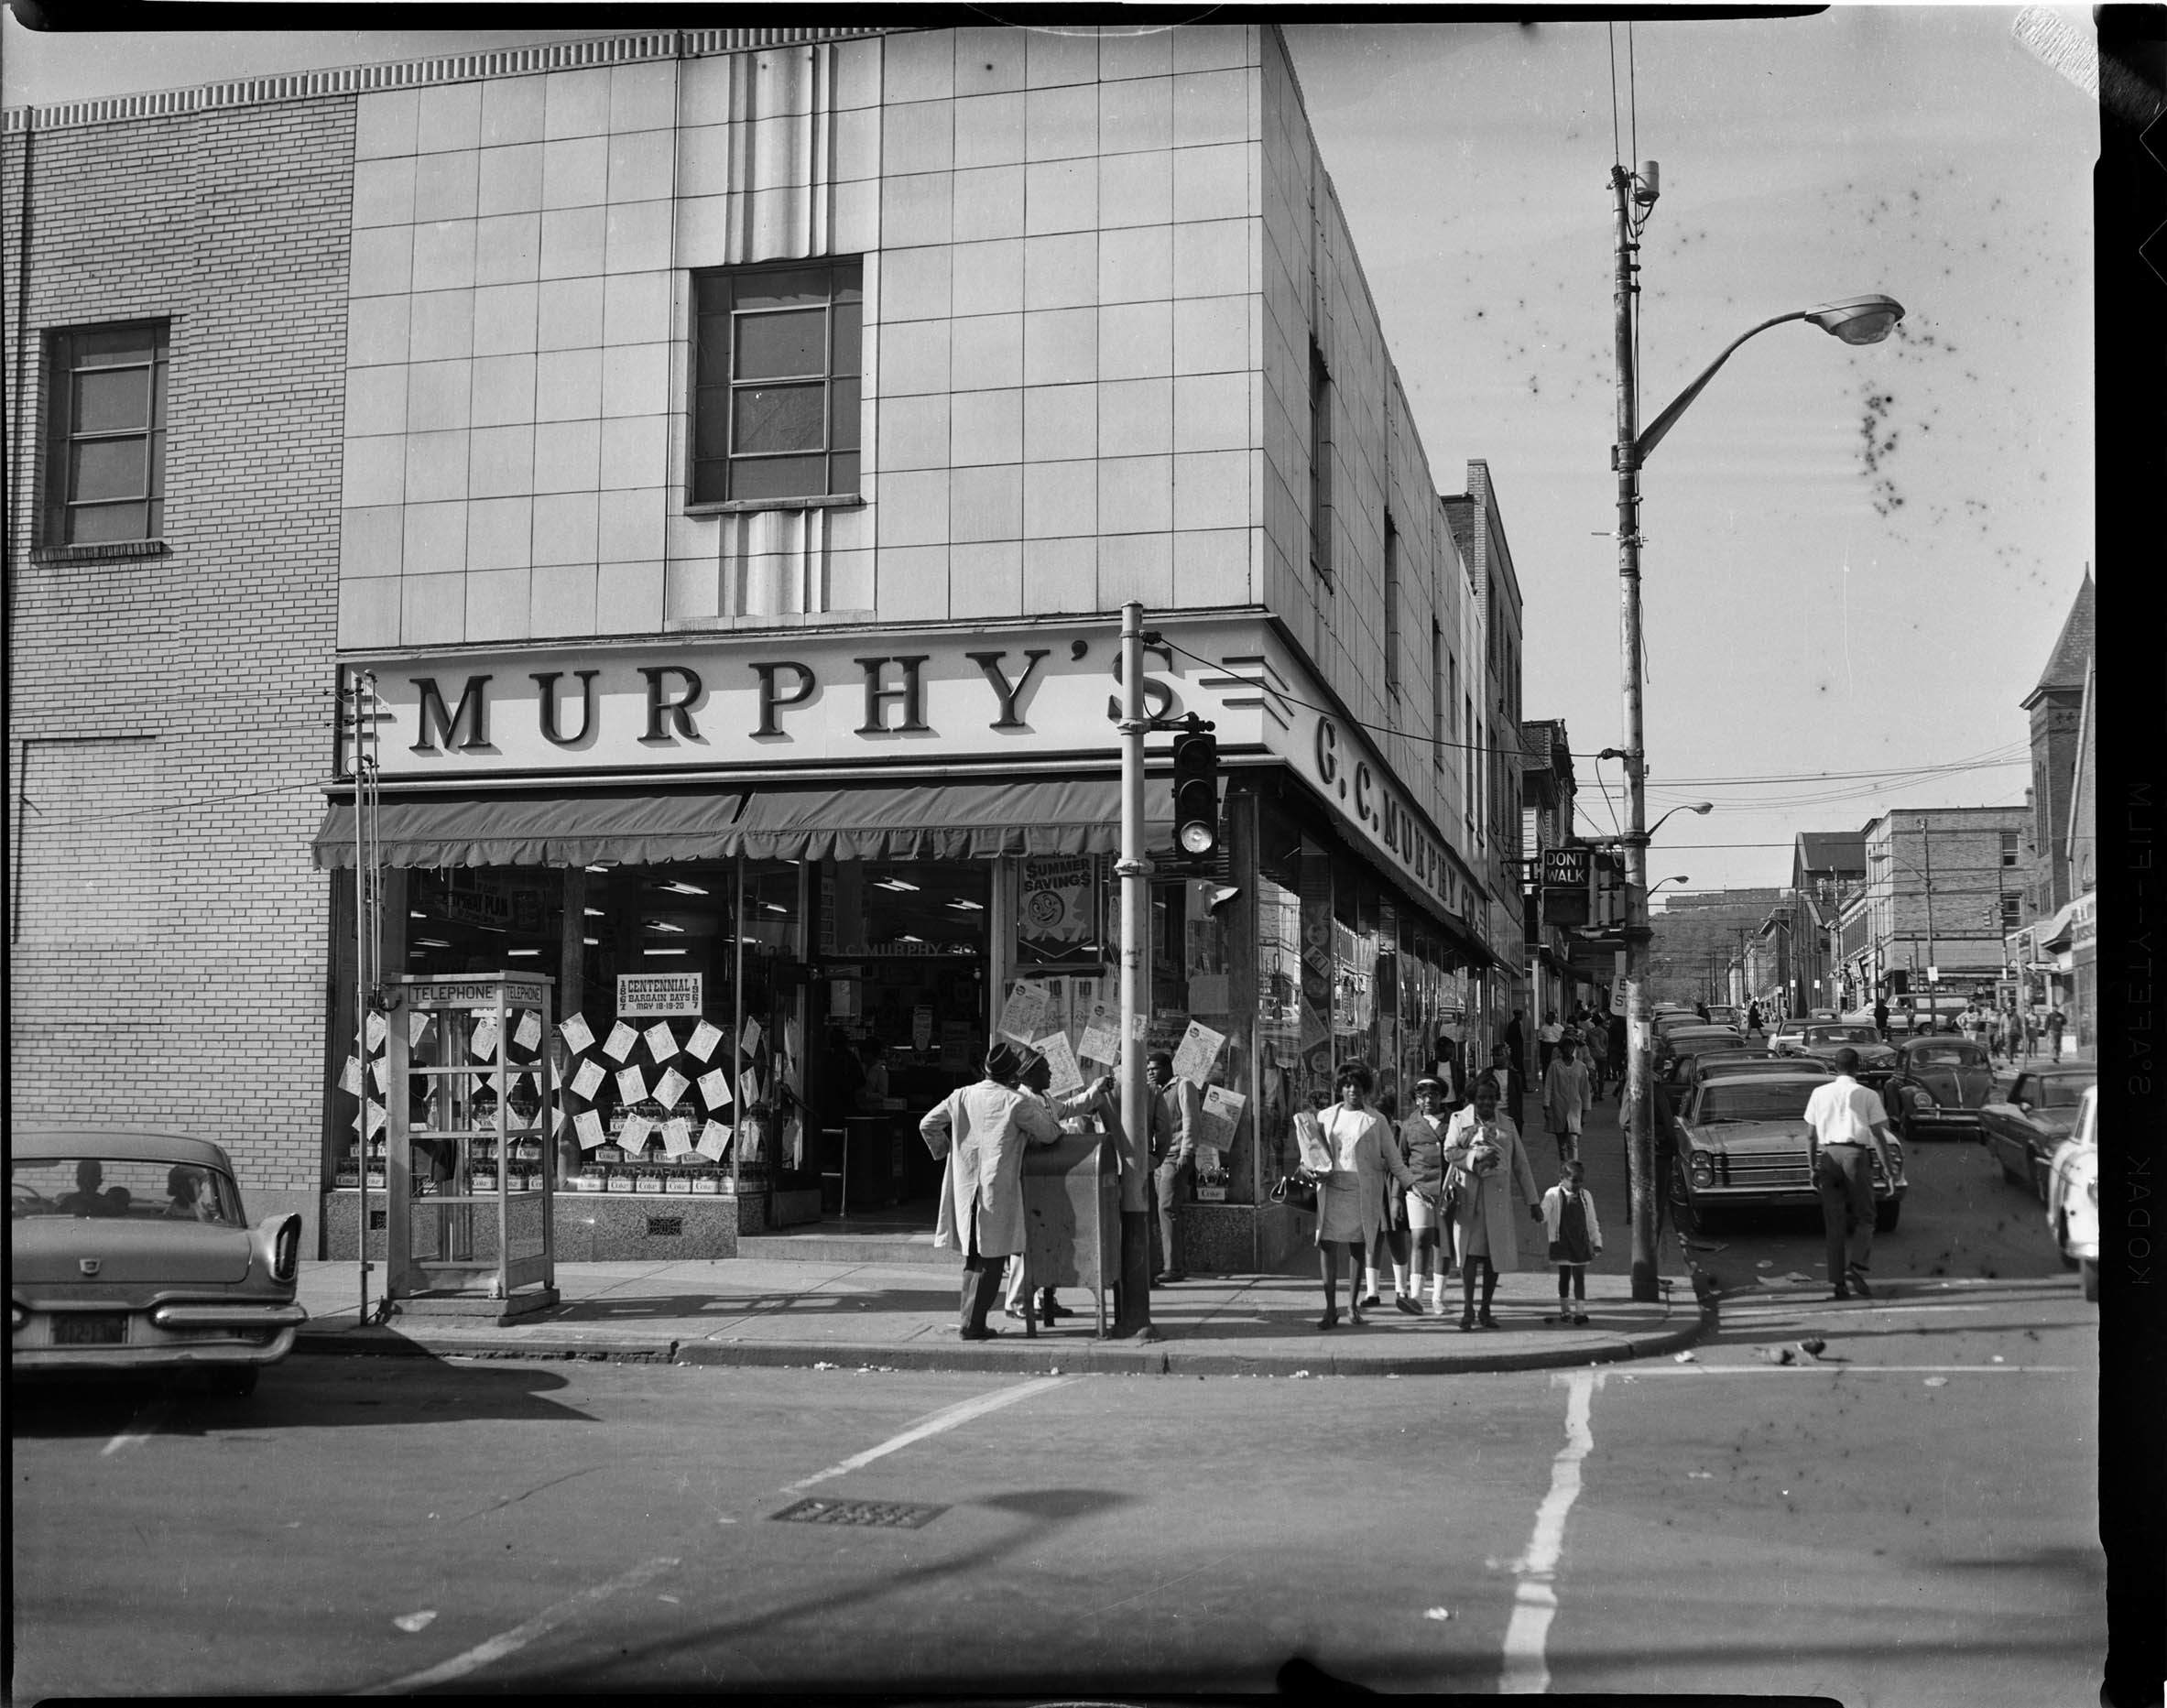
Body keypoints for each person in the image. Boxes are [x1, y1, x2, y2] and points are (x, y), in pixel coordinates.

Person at [921, 1042, 1062, 1340]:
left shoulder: (962, 1095)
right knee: (993, 1258)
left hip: (966, 1188)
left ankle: (969, 1321)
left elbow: (928, 1124)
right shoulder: (1015, 1102)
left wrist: (947, 1152)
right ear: (1013, 1076)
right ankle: (973, 1325)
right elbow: (1050, 1134)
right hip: (996, 1191)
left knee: (973, 1258)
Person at [1305, 1061, 1420, 1331]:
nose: (1352, 1089)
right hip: (1332, 1188)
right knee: (1328, 1246)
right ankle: (1330, 1308)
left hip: (1362, 1190)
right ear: (1339, 1088)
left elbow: (1395, 1161)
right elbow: (1310, 1155)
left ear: (1365, 1088)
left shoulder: (1377, 1120)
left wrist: (1413, 1187)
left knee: (1358, 1247)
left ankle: (1353, 1305)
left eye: (1356, 1084)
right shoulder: (1324, 1117)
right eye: (1346, 1085)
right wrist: (1309, 1169)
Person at [1003, 1056, 1116, 1325]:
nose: (1051, 1073)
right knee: (1027, 1243)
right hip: (1029, 1176)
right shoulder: (1021, 1101)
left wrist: (1095, 1091)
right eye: (1045, 1069)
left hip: (1049, 1177)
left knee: (1047, 1239)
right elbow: (1047, 1132)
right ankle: (1018, 1301)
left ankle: (1044, 1298)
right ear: (1028, 1075)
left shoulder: (1042, 1097)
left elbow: (1066, 1109)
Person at [1442, 1078, 1542, 1331]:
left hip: (1497, 1199)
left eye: (1491, 1098)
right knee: (1468, 1255)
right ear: (1473, 1099)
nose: (1486, 1102)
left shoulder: (1506, 1125)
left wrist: (1533, 1201)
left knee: (1493, 1256)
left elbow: (1521, 1163)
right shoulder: (1458, 1120)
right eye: (1482, 1098)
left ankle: (1485, 1309)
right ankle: (1467, 1308)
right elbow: (1449, 1152)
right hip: (1469, 1196)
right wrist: (1475, 1156)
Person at [1803, 1047, 1897, 1302]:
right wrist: (1888, 1171)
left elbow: (1811, 1135)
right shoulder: (1867, 1094)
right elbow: (1878, 1135)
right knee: (1866, 1216)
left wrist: (1812, 1166)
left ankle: (1838, 1285)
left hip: (1828, 1157)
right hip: (1855, 1155)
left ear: (1835, 1067)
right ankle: (1856, 1265)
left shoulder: (1819, 1093)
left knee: (1834, 1225)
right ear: (1857, 1067)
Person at [1145, 1051, 1203, 1285]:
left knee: (1167, 1208)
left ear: (1167, 1068)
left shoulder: (1183, 1085)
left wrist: (1187, 1152)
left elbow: (1191, 1119)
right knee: (1158, 1210)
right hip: (1157, 1157)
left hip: (1176, 1154)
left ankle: (1173, 1266)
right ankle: (1164, 1261)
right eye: (1148, 1069)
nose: (1150, 1073)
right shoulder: (1153, 1091)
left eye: (1155, 1069)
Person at [1398, 1075, 1455, 1312]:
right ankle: (1417, 1298)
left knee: (1442, 1243)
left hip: (1446, 1190)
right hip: (1418, 1191)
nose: (1428, 1100)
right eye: (1422, 1096)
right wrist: (1398, 1195)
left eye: (1433, 1095)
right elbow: (1400, 1160)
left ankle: (1438, 1298)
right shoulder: (1409, 1125)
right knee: (1419, 1240)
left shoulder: (1454, 1122)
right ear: (1416, 1100)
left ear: (1442, 1097)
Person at [1541, 1158, 1603, 1324]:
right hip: (1562, 1243)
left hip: (1581, 1243)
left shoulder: (1585, 1196)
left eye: (1580, 1182)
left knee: (1580, 1277)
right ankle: (1565, 1310)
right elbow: (1544, 1213)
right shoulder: (1553, 1194)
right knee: (1564, 1276)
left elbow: (1592, 1220)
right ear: (1562, 1178)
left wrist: (1597, 1241)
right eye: (1574, 1181)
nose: (1577, 1185)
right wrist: (1539, 1214)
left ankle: (1580, 1311)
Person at [1541, 1035, 1595, 1165]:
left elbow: (1585, 1090)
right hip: (1558, 1107)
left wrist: (1585, 1111)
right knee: (1562, 1145)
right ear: (1561, 1049)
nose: (1568, 1049)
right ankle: (1564, 1168)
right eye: (1565, 1047)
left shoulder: (1580, 1067)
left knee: (1573, 1142)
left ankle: (1574, 1170)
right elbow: (1548, 1086)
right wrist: (1547, 1106)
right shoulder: (1554, 1066)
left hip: (1575, 1108)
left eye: (1571, 1047)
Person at [57, 1159, 125, 1217]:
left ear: (99, 1181)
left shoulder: (107, 1204)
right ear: (78, 1181)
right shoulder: (68, 1203)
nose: (87, 1184)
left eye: (91, 1180)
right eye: (84, 1179)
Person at [1488, 1041, 1526, 1130]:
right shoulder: (1487, 1074)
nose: (1495, 1058)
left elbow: (1518, 1100)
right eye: (1494, 1055)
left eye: (1499, 1055)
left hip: (1508, 1112)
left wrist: (1519, 1119)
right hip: (1492, 1112)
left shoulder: (1515, 1076)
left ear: (1506, 1056)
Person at [855, 1037, 890, 1111]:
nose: (862, 1055)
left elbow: (883, 1095)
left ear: (871, 1053)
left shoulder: (881, 1070)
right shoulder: (862, 1067)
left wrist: (866, 1095)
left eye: (864, 1052)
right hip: (862, 1109)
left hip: (875, 1110)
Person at [1606, 1010, 1628, 1100]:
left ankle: (1616, 1077)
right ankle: (1618, 1081)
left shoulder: (1613, 1026)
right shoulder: (1623, 1025)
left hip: (1615, 1048)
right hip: (1621, 1048)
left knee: (1616, 1065)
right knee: (1622, 1068)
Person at [1536, 1010, 1563, 1075]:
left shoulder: (1559, 1027)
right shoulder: (1543, 1028)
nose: (1547, 1020)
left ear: (1553, 1019)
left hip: (1556, 1046)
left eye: (1549, 1018)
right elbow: (1540, 1038)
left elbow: (1562, 1037)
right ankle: (1546, 1081)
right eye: (1546, 1018)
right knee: (1546, 1066)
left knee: (1556, 1064)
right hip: (1546, 1047)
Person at [1504, 1010, 1528, 1081]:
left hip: (1516, 1049)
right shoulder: (1515, 1025)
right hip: (1516, 1050)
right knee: (1518, 1068)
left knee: (1518, 1067)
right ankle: (1521, 1085)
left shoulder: (1515, 1024)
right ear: (1517, 1015)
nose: (1522, 1017)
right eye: (1521, 1015)